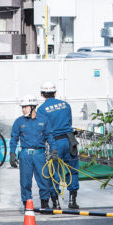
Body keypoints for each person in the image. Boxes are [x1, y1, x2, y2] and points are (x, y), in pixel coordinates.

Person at [37, 81, 80, 209]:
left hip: (54, 143)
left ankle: (56, 203)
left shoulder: (41, 109)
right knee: (73, 170)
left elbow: (42, 129)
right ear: (55, 93)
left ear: (42, 94)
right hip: (70, 140)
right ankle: (72, 201)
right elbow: (69, 122)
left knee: (53, 171)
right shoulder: (66, 105)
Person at [10, 94, 51, 211]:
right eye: (22, 107)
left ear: (33, 107)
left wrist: (54, 151)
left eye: (26, 107)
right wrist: (12, 154)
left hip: (39, 154)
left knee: (44, 179)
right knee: (25, 181)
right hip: (25, 155)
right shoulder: (19, 121)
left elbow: (50, 136)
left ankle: (45, 203)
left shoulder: (44, 120)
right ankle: (27, 205)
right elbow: (13, 138)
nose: (23, 109)